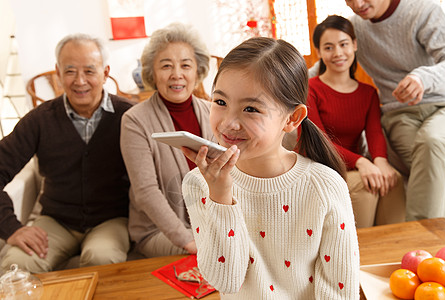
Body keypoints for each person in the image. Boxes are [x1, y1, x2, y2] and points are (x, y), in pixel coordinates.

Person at [181, 37, 360, 299]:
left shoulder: (324, 185)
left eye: (251, 108)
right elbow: (226, 281)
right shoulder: (198, 183)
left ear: (292, 118)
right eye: (220, 102)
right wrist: (220, 197)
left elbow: (340, 290)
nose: (229, 123)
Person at [0, 34, 133, 273]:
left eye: (89, 71)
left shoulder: (129, 116)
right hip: (55, 221)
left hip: (112, 219)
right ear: (58, 73)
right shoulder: (39, 120)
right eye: (70, 71)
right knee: (17, 265)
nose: (79, 81)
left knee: (101, 259)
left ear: (105, 73)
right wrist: (11, 227)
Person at [342, 0, 445, 221]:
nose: (357, 4)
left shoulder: (424, 11)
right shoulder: (354, 29)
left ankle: (419, 240)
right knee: (432, 166)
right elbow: (326, 65)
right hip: (400, 116)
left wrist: (423, 78)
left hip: (444, 105)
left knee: (433, 143)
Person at [120, 23, 213, 258]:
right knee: (211, 255)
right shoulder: (134, 120)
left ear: (197, 70)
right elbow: (145, 191)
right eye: (166, 66)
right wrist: (188, 240)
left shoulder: (214, 112)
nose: (176, 74)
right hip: (158, 230)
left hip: (212, 221)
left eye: (185, 65)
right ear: (152, 72)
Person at [307, 15, 406, 228]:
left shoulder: (368, 93)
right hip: (320, 164)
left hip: (351, 166)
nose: (338, 53)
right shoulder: (310, 89)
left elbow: (375, 133)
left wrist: (380, 160)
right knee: (365, 184)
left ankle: (392, 250)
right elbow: (317, 141)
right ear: (319, 52)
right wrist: (362, 162)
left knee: (392, 179)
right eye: (328, 47)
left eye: (343, 44)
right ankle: (359, 251)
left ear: (354, 45)